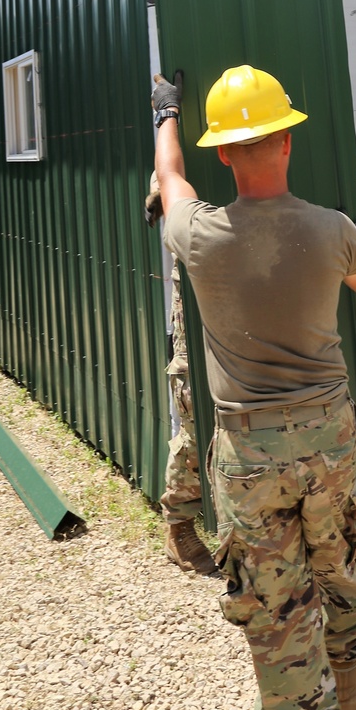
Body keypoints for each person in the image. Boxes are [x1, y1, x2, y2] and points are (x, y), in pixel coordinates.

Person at [150, 63, 356, 710]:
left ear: (224, 151)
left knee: (276, 603)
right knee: (336, 561)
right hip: (330, 439)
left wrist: (166, 111)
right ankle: (348, 701)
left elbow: (169, 178)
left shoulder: (199, 234)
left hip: (250, 456)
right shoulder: (332, 229)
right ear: (287, 140)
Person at [145, 169, 217, 576]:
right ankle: (180, 526)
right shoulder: (184, 133)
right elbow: (165, 183)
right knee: (194, 409)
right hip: (196, 288)